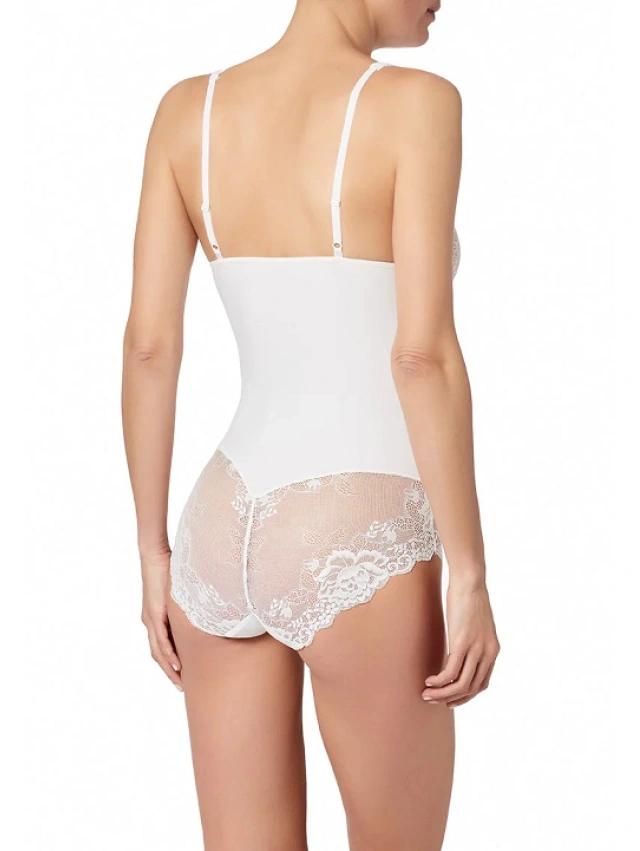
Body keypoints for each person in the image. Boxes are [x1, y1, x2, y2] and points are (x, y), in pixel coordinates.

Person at [122, 1, 500, 848]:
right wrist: (469, 571)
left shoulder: (187, 111)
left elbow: (149, 347)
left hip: (220, 525)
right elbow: (421, 357)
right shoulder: (418, 104)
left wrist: (152, 554)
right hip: (357, 523)